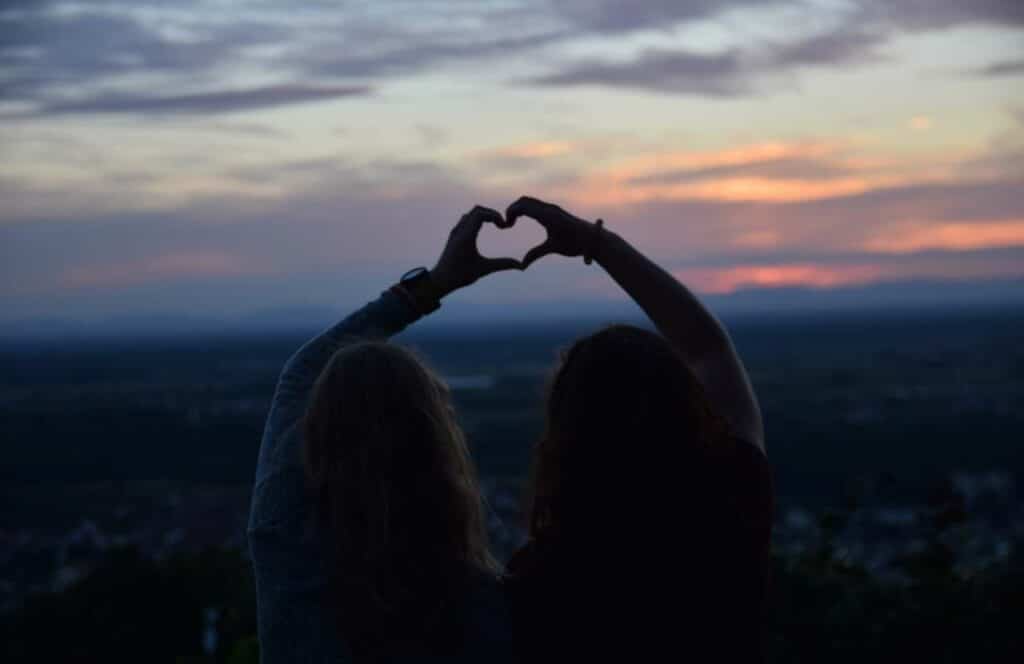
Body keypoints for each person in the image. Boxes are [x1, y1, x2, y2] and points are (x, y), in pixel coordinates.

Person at [500, 196, 774, 662]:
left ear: (566, 437)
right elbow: (707, 346)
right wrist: (597, 243)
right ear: (686, 402)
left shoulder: (541, 578)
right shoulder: (734, 498)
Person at [247, 206, 523, 663]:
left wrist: (434, 284)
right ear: (437, 449)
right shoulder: (483, 609)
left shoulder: (282, 548)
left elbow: (301, 373)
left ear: (314, 439)